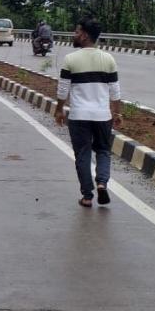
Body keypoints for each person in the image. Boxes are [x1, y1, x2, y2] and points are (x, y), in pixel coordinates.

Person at [54, 18, 121, 208]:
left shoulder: (70, 59)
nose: (74, 35)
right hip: (102, 116)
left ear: (84, 35)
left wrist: (59, 110)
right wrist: (117, 113)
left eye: (76, 32)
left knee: (82, 154)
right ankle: (102, 183)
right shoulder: (108, 59)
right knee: (103, 151)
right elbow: (115, 91)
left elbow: (63, 90)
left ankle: (87, 196)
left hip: (79, 116)